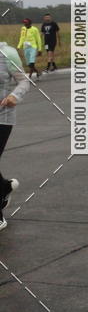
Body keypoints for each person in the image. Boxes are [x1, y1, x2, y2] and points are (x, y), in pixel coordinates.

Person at [0, 42, 29, 231]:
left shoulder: (7, 53)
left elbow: (24, 81)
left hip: (2, 117)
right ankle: (4, 187)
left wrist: (14, 96)